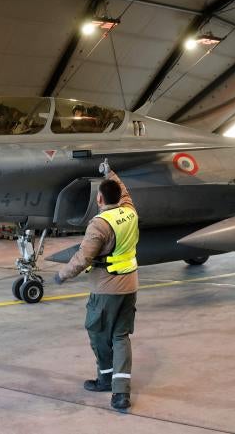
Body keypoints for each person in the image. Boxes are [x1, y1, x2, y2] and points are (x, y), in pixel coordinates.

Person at [54, 159, 139, 411]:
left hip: (106, 289)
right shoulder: (129, 211)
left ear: (99, 199)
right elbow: (124, 192)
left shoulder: (99, 224)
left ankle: (105, 379)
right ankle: (121, 392)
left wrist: (62, 274)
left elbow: (83, 258)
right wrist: (110, 172)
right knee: (120, 336)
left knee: (98, 334)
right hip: (130, 286)